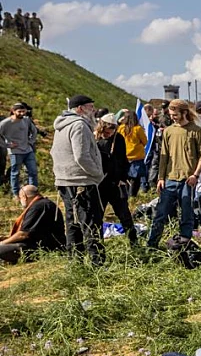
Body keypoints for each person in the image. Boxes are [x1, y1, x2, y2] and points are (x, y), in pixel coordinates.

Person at [51, 95, 105, 265]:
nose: (93, 111)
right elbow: (81, 156)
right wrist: (97, 174)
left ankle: (75, 262)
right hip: (81, 181)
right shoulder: (79, 125)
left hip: (65, 180)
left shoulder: (61, 125)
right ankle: (97, 263)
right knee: (91, 223)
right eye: (90, 107)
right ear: (80, 108)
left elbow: (54, 151)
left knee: (73, 223)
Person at [147, 99, 201, 249]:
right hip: (170, 179)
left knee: (186, 214)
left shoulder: (196, 130)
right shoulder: (168, 131)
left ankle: (184, 244)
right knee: (161, 213)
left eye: (175, 114)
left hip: (188, 180)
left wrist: (196, 175)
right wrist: (161, 178)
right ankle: (152, 245)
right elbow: (163, 156)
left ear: (184, 112)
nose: (172, 116)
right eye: (171, 114)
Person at [95, 114, 137, 246]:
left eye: (111, 131)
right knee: (96, 217)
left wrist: (123, 178)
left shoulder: (118, 139)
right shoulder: (94, 138)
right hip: (99, 185)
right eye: (107, 131)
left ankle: (134, 243)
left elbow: (123, 160)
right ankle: (97, 246)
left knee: (124, 215)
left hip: (115, 183)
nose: (109, 134)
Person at [0, 185, 65, 263]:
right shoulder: (41, 204)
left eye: (20, 198)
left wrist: (2, 243)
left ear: (24, 196)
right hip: (38, 244)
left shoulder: (39, 206)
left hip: (42, 248)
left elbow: (23, 234)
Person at [0, 102, 39, 201]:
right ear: (13, 111)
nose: (22, 113)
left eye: (23, 111)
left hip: (28, 150)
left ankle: (33, 193)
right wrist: (7, 145)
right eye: (19, 111)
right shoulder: (5, 123)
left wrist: (30, 141)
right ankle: (16, 194)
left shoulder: (26, 120)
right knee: (15, 173)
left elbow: (34, 131)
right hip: (15, 152)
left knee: (33, 171)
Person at [117, 111, 148, 198]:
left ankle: (126, 195)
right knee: (135, 178)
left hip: (124, 156)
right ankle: (132, 196)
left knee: (125, 177)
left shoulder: (121, 128)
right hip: (136, 157)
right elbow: (145, 141)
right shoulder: (138, 129)